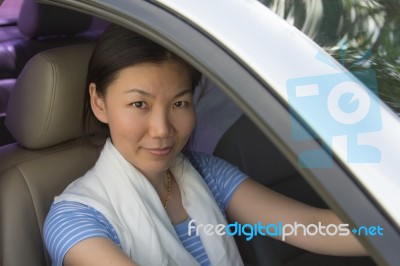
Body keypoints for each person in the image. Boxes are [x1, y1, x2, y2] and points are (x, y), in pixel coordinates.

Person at [43, 24, 367, 266]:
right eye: (139, 105)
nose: (162, 130)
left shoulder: (203, 172)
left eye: (179, 104)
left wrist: (386, 229)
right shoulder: (76, 220)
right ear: (99, 103)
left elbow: (313, 227)